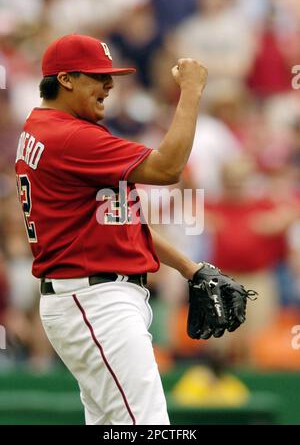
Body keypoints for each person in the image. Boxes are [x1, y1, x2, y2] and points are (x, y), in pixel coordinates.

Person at [15, 33, 207, 425]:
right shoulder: (69, 136)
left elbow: (119, 220)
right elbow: (168, 168)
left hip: (90, 297)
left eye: (111, 75)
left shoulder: (46, 126)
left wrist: (191, 268)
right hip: (95, 300)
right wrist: (190, 92)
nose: (109, 85)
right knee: (148, 426)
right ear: (65, 79)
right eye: (98, 76)